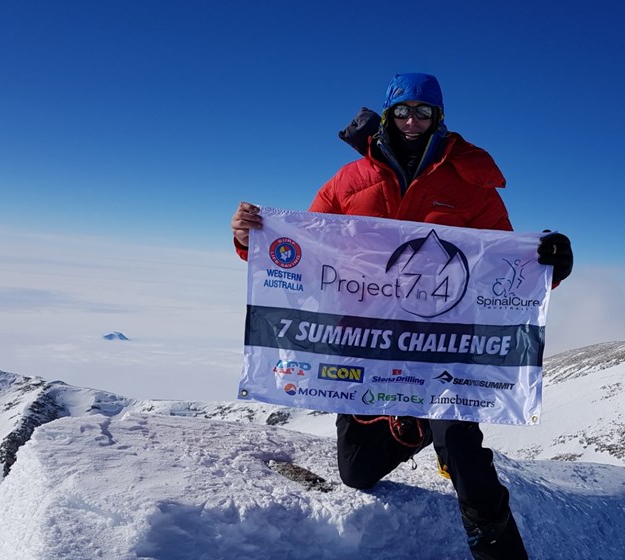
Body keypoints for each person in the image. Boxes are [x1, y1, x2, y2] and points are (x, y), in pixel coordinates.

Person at [232, 73, 572, 560]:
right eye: (403, 111)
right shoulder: (348, 183)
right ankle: (413, 426)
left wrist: (550, 267)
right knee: (356, 472)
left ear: (439, 118)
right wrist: (251, 238)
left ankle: (498, 548)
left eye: (424, 112)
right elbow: (308, 250)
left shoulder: (472, 187)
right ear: (388, 116)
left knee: (463, 452)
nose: (412, 121)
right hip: (366, 339)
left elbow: (502, 265)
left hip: (444, 344)